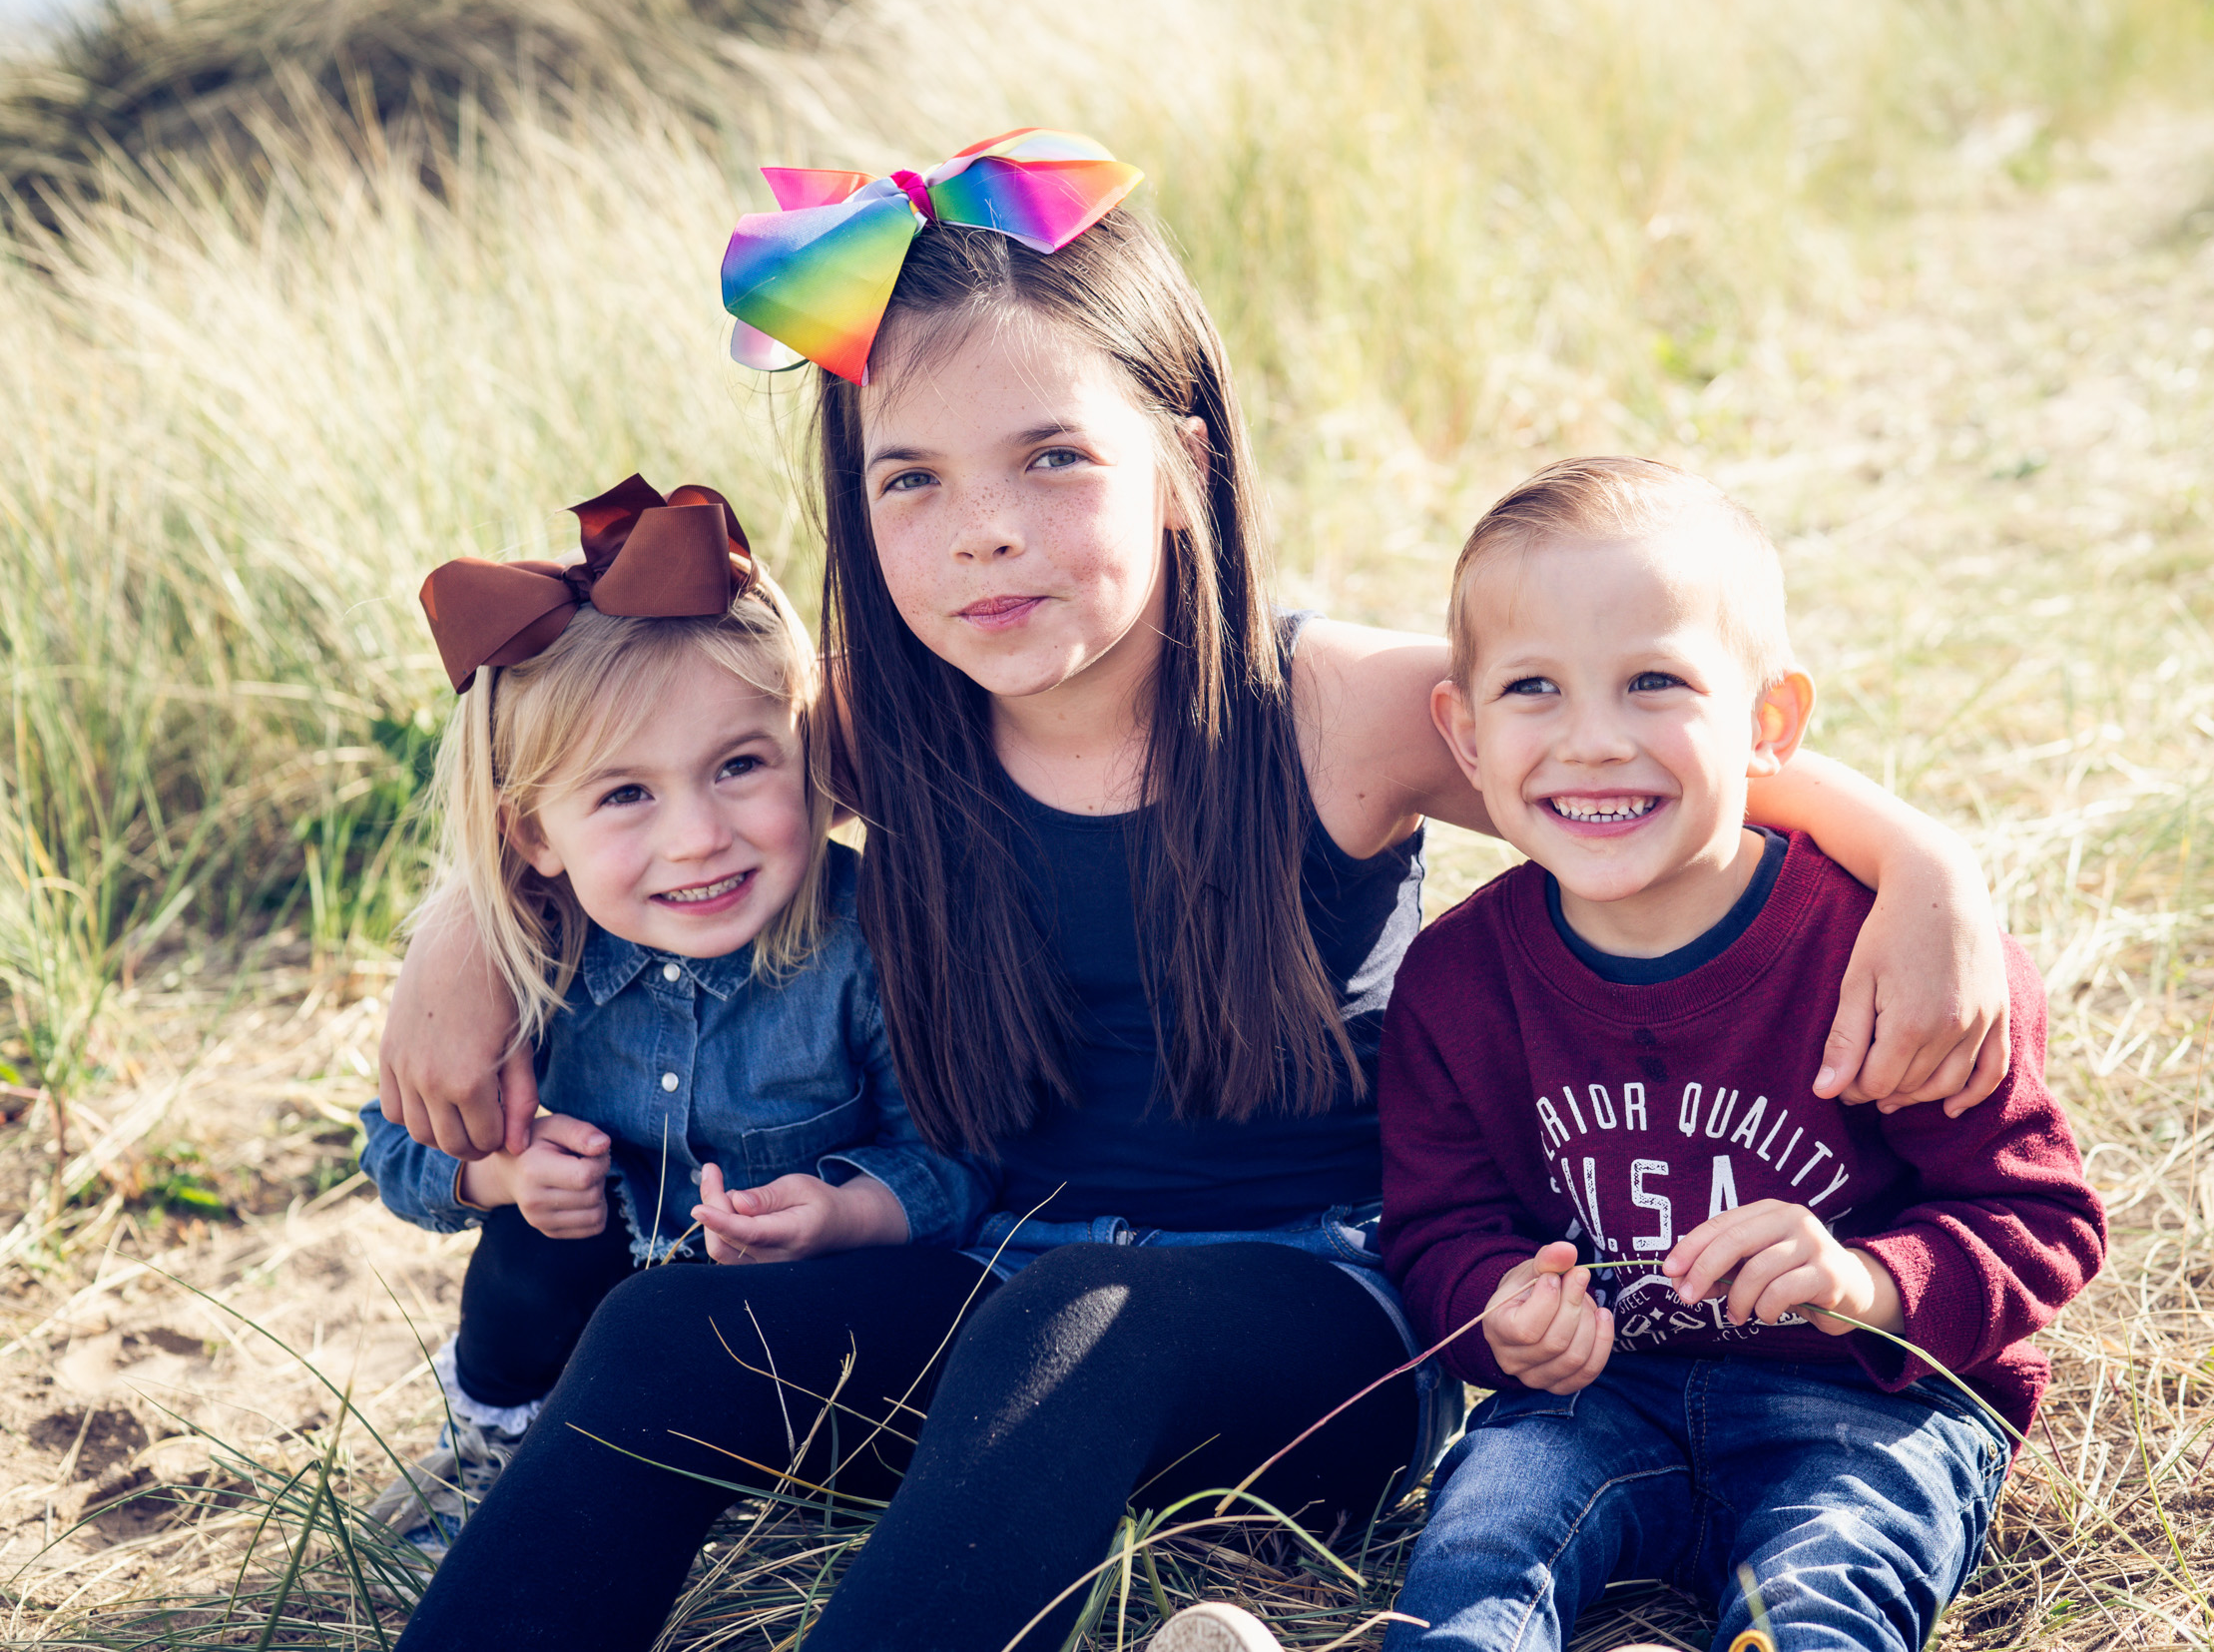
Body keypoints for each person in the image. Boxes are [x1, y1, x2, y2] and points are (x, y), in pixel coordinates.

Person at [381, 134, 2018, 1652]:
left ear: (1177, 458)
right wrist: (461, 928)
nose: (986, 538)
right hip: (998, 1294)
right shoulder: (886, 732)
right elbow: (624, 790)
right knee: (670, 1342)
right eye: (914, 482)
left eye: (1050, 459)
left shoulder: (1338, 714)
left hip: (1330, 1320)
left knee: (1091, 1316)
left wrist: (1927, 859)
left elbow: (1647, 755)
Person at [1347, 458, 2102, 1652]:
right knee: (1480, 1546)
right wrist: (1500, 1307)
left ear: (1769, 722)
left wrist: (1865, 1281)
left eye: (1654, 681)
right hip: (1596, 1400)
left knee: (1825, 1582)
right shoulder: (1457, 983)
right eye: (1532, 687)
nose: (1592, 740)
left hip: (1861, 1404)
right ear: (1466, 732)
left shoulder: (1881, 958)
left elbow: (2041, 1221)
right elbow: (1437, 1225)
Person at [356, 475, 984, 1554]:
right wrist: (500, 1175)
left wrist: (844, 1211)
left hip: (782, 1335)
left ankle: (767, 1494)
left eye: (739, 765)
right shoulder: (528, 958)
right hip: (569, 1326)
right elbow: (391, 1145)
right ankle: (510, 1444)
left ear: (807, 754)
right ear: (536, 831)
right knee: (534, 1247)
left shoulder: (865, 941)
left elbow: (954, 1160)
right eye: (625, 793)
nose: (697, 836)